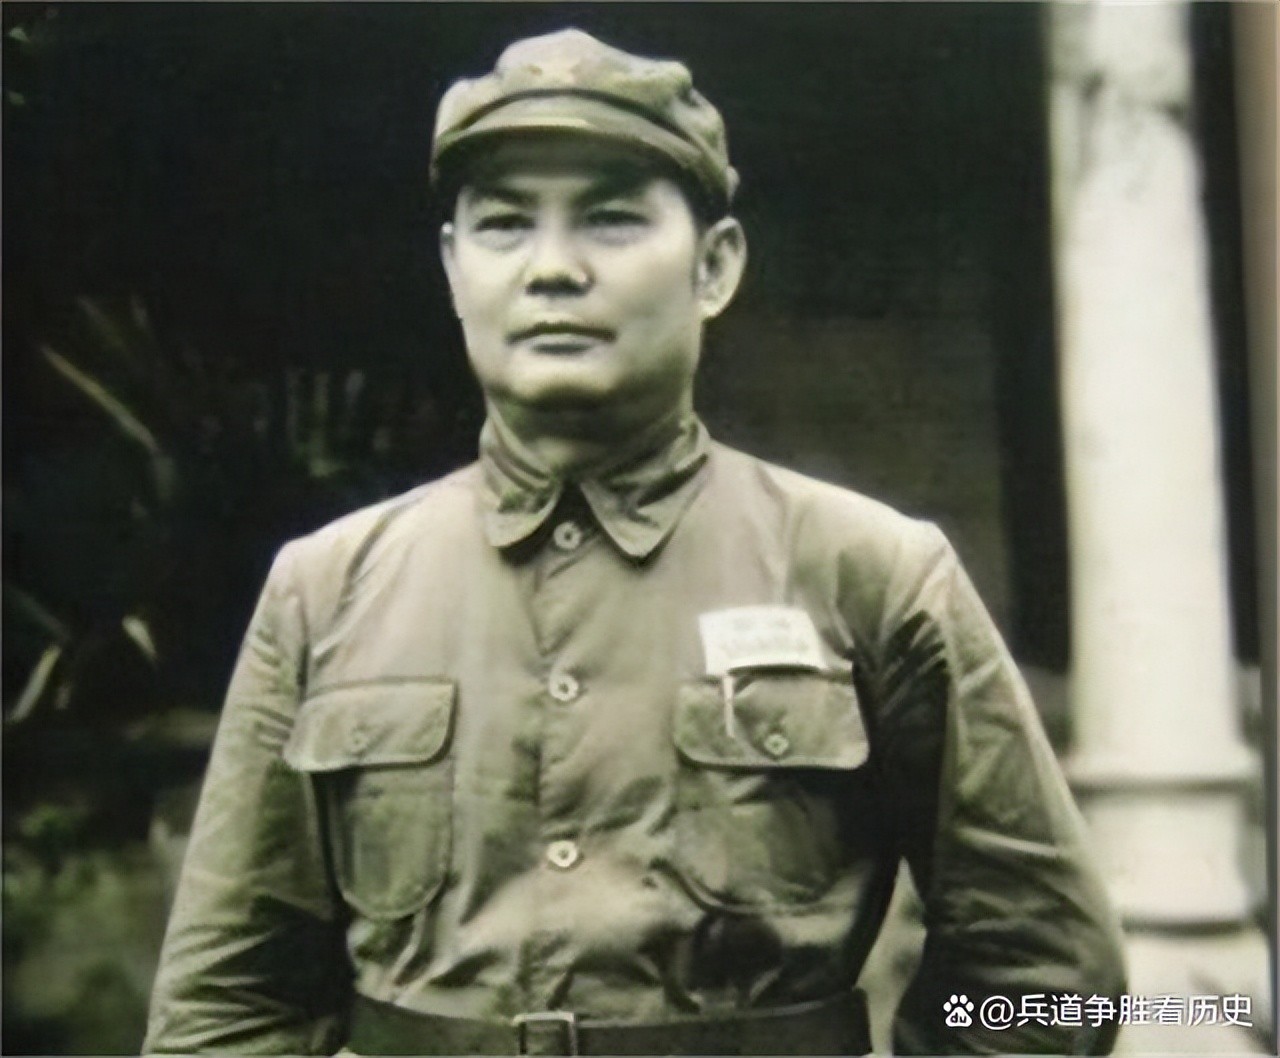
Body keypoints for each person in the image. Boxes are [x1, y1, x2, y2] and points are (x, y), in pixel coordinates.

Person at [145, 28, 1126, 1056]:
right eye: (503, 224)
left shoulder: (869, 572)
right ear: (451, 268)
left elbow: (1050, 969)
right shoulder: (325, 590)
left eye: (611, 219)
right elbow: (225, 1003)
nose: (552, 268)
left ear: (714, 266)